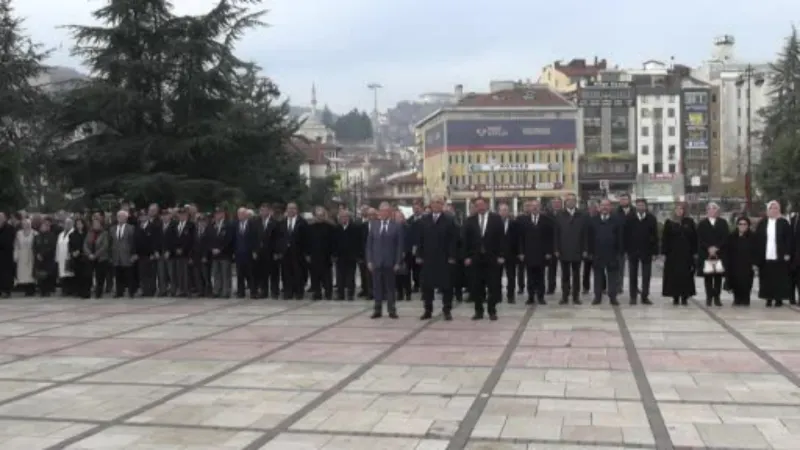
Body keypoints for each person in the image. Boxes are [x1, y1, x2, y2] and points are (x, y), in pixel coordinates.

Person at [463, 197, 504, 320]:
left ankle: (492, 310)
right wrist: (466, 257)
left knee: (493, 285)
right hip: (475, 259)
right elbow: (465, 241)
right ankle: (478, 311)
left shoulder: (496, 219)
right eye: (477, 205)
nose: (480, 207)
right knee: (476, 286)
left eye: (482, 205)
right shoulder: (470, 220)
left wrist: (501, 255)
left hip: (492, 258)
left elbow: (502, 239)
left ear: (487, 205)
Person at [417, 196, 458, 320]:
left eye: (439, 203)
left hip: (444, 258)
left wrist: (452, 256)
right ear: (430, 204)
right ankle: (428, 310)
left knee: (446, 286)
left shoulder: (449, 220)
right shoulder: (424, 219)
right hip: (428, 258)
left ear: (442, 205)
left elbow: (454, 240)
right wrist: (419, 255)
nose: (436, 205)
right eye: (434, 202)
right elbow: (420, 239)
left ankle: (447, 310)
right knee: (427, 286)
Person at [366, 202, 404, 319]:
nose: (383, 213)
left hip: (390, 262)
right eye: (381, 210)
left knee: (390, 288)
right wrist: (369, 261)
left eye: (386, 211)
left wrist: (398, 262)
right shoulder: (374, 225)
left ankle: (391, 309)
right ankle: (377, 310)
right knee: (377, 287)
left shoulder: (396, 226)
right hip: (376, 262)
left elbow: (399, 246)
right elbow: (369, 245)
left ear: (390, 212)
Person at [754, 200, 793, 307]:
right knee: (766, 278)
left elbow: (788, 239)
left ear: (779, 210)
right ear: (768, 210)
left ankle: (778, 298)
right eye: (772, 208)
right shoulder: (763, 223)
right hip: (765, 255)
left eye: (776, 208)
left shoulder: (783, 222)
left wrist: (787, 253)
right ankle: (768, 298)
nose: (774, 210)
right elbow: (757, 239)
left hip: (779, 255)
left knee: (779, 278)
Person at [517, 199, 554, 305]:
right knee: (530, 277)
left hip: (542, 254)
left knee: (541, 276)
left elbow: (549, 238)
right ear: (529, 208)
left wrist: (548, 252)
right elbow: (521, 238)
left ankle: (541, 297)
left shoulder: (546, 220)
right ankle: (531, 297)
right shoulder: (524, 220)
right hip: (528, 253)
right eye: (532, 206)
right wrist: (521, 252)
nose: (534, 208)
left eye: (536, 206)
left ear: (540, 207)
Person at [587, 199, 624, 305]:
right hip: (597, 253)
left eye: (607, 205)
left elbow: (620, 238)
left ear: (610, 208)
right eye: (602, 205)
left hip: (612, 254)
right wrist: (590, 252)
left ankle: (613, 297)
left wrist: (620, 252)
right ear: (599, 208)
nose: (604, 207)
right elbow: (589, 237)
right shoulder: (593, 220)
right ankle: (597, 297)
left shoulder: (616, 220)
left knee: (613, 277)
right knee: (598, 276)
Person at [553, 194, 587, 305]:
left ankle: (576, 296)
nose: (571, 202)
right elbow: (556, 234)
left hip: (578, 249)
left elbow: (585, 234)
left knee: (577, 275)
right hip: (564, 250)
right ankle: (565, 296)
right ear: (565, 202)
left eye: (573, 200)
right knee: (565, 275)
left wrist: (585, 249)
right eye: (568, 200)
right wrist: (556, 249)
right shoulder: (559, 215)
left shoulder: (582, 215)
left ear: (575, 202)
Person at [661, 203, 697, 306]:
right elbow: (665, 239)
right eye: (677, 209)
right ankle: (675, 297)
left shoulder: (689, 222)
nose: (679, 211)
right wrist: (664, 253)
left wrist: (694, 253)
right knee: (673, 276)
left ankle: (685, 297)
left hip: (686, 255)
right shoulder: (669, 222)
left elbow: (694, 238)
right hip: (673, 255)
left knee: (686, 276)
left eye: (681, 209)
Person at [625, 199, 658, 305]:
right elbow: (626, 235)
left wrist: (655, 252)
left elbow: (655, 236)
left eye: (642, 205)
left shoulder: (651, 219)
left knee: (646, 276)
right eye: (638, 205)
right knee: (632, 275)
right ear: (636, 207)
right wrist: (626, 250)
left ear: (646, 206)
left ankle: (645, 296)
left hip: (647, 251)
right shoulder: (630, 218)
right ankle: (633, 296)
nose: (640, 207)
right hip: (633, 251)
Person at [697, 202, 729, 306]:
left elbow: (725, 237)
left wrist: (716, 248)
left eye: (714, 208)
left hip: (719, 253)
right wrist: (709, 248)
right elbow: (700, 238)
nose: (712, 210)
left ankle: (717, 297)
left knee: (718, 277)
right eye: (709, 208)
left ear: (717, 210)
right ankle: (709, 297)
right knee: (708, 277)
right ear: (707, 211)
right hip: (707, 254)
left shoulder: (723, 223)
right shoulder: (702, 223)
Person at [724, 216, 757, 306]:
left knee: (746, 282)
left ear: (748, 225)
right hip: (735, 264)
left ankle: (746, 299)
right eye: (740, 224)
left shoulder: (753, 236)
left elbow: (756, 251)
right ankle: (737, 299)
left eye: (744, 224)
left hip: (747, 264)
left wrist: (755, 263)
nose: (742, 226)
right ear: (737, 225)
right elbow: (727, 250)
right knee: (735, 281)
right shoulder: (732, 236)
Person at [307, 207, 336, 300]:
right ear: (315, 216)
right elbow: (306, 242)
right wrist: (307, 254)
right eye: (318, 215)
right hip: (314, 255)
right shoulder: (310, 227)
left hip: (326, 256)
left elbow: (333, 242)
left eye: (322, 215)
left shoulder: (330, 227)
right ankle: (317, 293)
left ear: (325, 216)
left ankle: (328, 293)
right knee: (315, 275)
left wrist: (333, 254)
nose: (320, 217)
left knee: (327, 276)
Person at [282, 202, 308, 300]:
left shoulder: (302, 222)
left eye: (293, 208)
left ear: (297, 210)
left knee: (298, 273)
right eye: (289, 208)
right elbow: (280, 237)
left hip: (298, 252)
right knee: (286, 273)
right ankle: (288, 292)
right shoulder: (283, 222)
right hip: (286, 252)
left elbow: (306, 238)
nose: (291, 210)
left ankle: (298, 292)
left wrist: (306, 252)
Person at [256, 204, 283, 299]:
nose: (263, 212)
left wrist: (277, 252)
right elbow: (254, 238)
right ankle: (264, 291)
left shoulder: (275, 223)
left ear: (269, 211)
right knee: (262, 273)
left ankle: (274, 292)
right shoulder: (256, 223)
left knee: (274, 274)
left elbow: (279, 239)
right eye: (261, 210)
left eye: (265, 210)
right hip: (260, 252)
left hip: (272, 252)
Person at [334, 209, 361, 301]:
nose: (343, 218)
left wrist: (357, 255)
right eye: (341, 217)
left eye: (345, 216)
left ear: (349, 218)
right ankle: (340, 294)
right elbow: (333, 243)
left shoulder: (355, 228)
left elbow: (358, 242)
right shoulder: (336, 228)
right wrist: (334, 255)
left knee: (350, 276)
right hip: (340, 256)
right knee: (339, 276)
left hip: (351, 256)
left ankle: (350, 294)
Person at [137, 204, 162, 297]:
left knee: (151, 273)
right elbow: (136, 240)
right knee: (142, 273)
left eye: (144, 216)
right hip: (141, 254)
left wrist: (154, 252)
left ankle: (151, 291)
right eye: (141, 216)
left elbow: (155, 240)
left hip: (150, 254)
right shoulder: (138, 227)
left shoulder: (153, 226)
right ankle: (144, 290)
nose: (143, 217)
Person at [110, 210, 137, 298]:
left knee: (129, 274)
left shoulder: (131, 228)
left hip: (127, 254)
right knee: (118, 275)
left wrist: (133, 254)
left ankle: (131, 291)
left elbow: (133, 242)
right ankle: (119, 292)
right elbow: (111, 242)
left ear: (126, 218)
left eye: (122, 217)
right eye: (118, 217)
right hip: (116, 255)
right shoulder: (113, 228)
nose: (120, 219)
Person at [232, 207, 258, 298]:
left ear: (246, 215)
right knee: (240, 274)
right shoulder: (235, 224)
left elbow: (255, 238)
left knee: (250, 273)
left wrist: (255, 251)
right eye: (239, 214)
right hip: (239, 253)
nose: (240, 216)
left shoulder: (252, 224)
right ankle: (240, 292)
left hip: (249, 253)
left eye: (242, 214)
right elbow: (233, 239)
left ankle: (253, 292)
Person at [498, 203, 520, 304]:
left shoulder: (514, 224)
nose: (504, 212)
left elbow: (517, 240)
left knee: (511, 277)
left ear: (508, 211)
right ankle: (497, 295)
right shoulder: (494, 223)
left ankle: (510, 296)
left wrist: (518, 253)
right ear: (499, 211)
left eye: (506, 210)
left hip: (511, 255)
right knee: (496, 277)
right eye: (502, 210)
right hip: (498, 256)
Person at [172, 208, 196, 297]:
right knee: (179, 273)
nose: (182, 216)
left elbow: (191, 240)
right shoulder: (175, 225)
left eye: (184, 214)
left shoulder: (191, 225)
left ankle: (187, 290)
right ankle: (180, 289)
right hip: (177, 253)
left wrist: (185, 250)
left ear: (187, 215)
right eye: (180, 214)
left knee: (186, 273)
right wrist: (176, 249)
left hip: (187, 253)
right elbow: (173, 239)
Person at [209, 208, 233, 298]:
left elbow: (229, 240)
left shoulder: (228, 225)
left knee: (225, 274)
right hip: (214, 254)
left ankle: (226, 291)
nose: (217, 215)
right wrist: (212, 248)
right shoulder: (212, 225)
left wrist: (220, 249)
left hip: (225, 254)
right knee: (216, 273)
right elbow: (209, 238)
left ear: (223, 214)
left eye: (219, 213)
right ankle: (216, 290)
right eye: (215, 214)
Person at [84, 218, 110, 298]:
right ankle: (87, 293)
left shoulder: (105, 233)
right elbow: (85, 245)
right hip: (90, 257)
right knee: (88, 275)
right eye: (94, 224)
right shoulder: (89, 233)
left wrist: (95, 255)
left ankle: (98, 293)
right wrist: (89, 254)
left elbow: (105, 246)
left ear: (100, 225)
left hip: (101, 258)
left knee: (100, 277)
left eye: (97, 224)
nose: (95, 225)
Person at [615, 193, 635, 295]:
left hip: (633, 245)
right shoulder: (615, 213)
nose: (623, 201)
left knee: (634, 268)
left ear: (629, 200)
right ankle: (619, 286)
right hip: (620, 244)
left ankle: (634, 287)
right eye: (622, 199)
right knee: (619, 267)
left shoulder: (635, 212)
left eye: (625, 199)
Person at [33, 220, 58, 296]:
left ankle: (47, 290)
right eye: (42, 226)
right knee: (40, 275)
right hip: (39, 259)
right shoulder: (37, 236)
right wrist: (37, 254)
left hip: (48, 259)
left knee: (47, 275)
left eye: (45, 226)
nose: (43, 228)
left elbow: (51, 247)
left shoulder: (52, 236)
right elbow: (34, 247)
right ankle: (41, 290)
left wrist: (43, 255)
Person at [13, 219, 37, 296]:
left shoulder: (35, 233)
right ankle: (25, 288)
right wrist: (15, 255)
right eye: (24, 224)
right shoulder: (18, 233)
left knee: (31, 272)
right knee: (23, 273)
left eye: (27, 224)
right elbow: (16, 245)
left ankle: (31, 289)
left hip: (31, 254)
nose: (26, 225)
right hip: (22, 255)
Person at [546, 198, 564, 294]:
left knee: (565, 269)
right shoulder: (547, 216)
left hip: (564, 246)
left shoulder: (565, 214)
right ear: (551, 205)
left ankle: (566, 288)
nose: (556, 205)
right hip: (551, 246)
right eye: (555, 203)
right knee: (551, 269)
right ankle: (551, 288)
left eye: (558, 203)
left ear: (561, 204)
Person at [393, 210, 412, 301]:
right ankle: (399, 293)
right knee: (397, 275)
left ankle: (408, 293)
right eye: (396, 217)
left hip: (406, 254)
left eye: (400, 217)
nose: (398, 219)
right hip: (395, 254)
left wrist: (405, 251)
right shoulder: (393, 228)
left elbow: (409, 241)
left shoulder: (407, 228)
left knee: (406, 275)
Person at [69, 218, 90, 298]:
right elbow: (70, 246)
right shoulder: (72, 235)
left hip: (85, 257)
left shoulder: (87, 234)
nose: (79, 225)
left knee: (86, 275)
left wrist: (81, 251)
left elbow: (88, 245)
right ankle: (79, 291)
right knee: (78, 275)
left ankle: (86, 292)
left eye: (80, 223)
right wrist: (73, 252)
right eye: (77, 224)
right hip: (76, 258)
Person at [56, 218, 75, 295]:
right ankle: (64, 290)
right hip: (61, 256)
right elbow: (58, 246)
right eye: (66, 223)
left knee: (69, 274)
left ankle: (70, 290)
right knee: (62, 274)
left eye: (69, 223)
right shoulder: (60, 234)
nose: (67, 225)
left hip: (69, 256)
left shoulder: (73, 232)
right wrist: (57, 257)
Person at [0, 213, 14, 298]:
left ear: (5, 219)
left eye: (1, 218)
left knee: (6, 274)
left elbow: (8, 241)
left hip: (6, 255)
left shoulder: (9, 228)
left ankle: (6, 291)